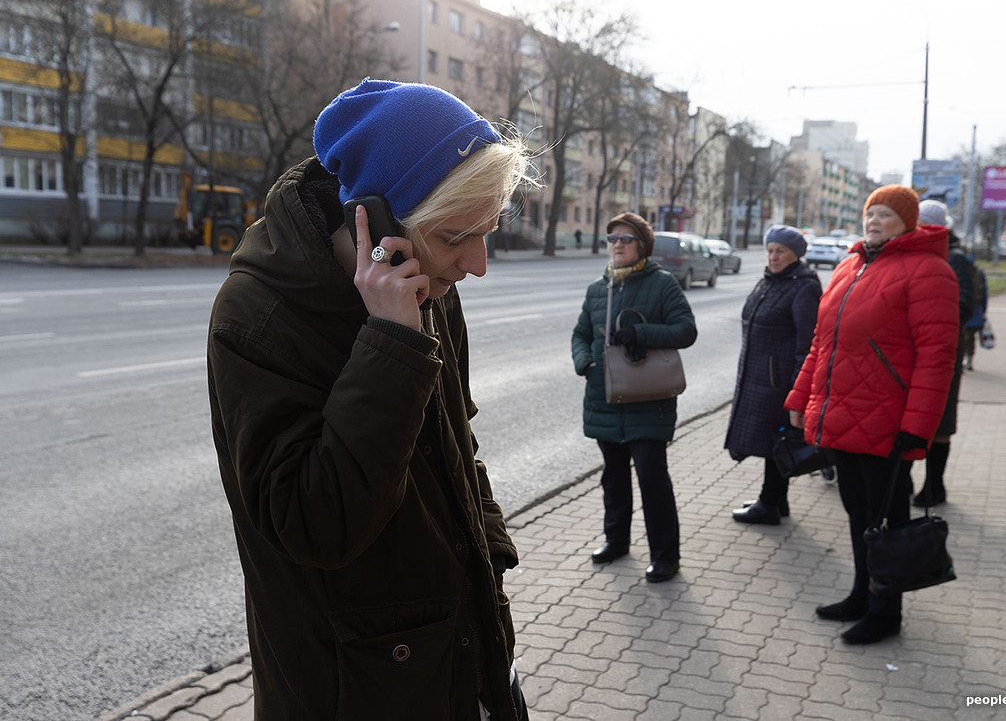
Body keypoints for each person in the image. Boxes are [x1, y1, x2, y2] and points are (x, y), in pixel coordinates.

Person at [207, 78, 537, 720]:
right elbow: (313, 524)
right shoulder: (258, 319)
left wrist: (486, 559)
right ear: (374, 222)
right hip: (352, 685)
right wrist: (390, 341)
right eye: (455, 237)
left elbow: (456, 444)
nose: (478, 263)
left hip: (462, 652)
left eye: (489, 230)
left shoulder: (428, 287)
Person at [784, 185, 959, 645]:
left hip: (889, 420)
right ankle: (862, 594)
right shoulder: (850, 265)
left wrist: (917, 427)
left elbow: (936, 356)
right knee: (858, 511)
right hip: (843, 414)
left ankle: (886, 612)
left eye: (885, 214)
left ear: (908, 222)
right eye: (870, 214)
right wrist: (801, 400)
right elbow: (823, 345)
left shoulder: (929, 270)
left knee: (887, 517)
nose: (874, 221)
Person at [571, 211, 698, 583]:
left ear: (642, 245)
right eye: (613, 239)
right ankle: (616, 540)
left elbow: (686, 331)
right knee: (613, 477)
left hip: (649, 399)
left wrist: (641, 333)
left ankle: (665, 556)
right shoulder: (599, 287)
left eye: (626, 239)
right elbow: (580, 334)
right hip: (604, 397)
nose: (618, 245)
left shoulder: (662, 284)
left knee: (651, 478)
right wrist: (586, 364)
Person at [726, 225, 822, 525]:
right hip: (762, 377)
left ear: (795, 254)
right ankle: (777, 501)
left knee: (777, 440)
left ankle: (768, 503)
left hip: (780, 380)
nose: (773, 256)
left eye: (780, 251)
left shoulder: (804, 286)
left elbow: (808, 342)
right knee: (772, 440)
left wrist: (797, 388)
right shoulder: (770, 281)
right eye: (770, 250)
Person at [909, 200, 975, 508]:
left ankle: (935, 487)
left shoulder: (956, 258)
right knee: (910, 417)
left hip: (943, 351)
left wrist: (930, 318)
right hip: (911, 349)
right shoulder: (912, 253)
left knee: (940, 422)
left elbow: (963, 307)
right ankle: (905, 479)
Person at [963, 255, 988, 371]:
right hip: (976, 310)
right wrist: (983, 311)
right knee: (971, 337)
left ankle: (961, 360)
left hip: (961, 308)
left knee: (961, 337)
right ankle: (969, 360)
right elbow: (984, 293)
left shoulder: (959, 269)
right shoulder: (979, 272)